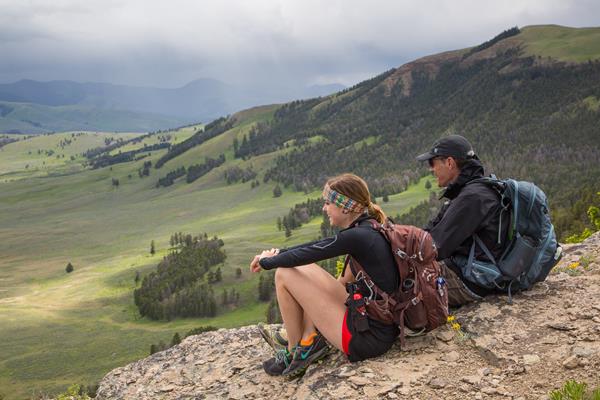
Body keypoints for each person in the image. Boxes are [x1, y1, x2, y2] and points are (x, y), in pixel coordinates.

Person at [250, 173, 399, 377]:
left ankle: (295, 351)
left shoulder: (357, 236)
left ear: (345, 207)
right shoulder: (369, 227)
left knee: (284, 273)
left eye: (328, 203)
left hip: (365, 340)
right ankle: (308, 338)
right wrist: (275, 255)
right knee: (303, 268)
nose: (324, 208)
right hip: (376, 327)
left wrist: (268, 261)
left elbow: (312, 250)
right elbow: (315, 252)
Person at [416, 134, 508, 307]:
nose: (431, 169)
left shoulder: (471, 198)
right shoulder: (470, 190)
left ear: (449, 163)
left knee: (398, 284)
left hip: (472, 281)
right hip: (474, 271)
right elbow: (433, 229)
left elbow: (435, 247)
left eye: (432, 163)